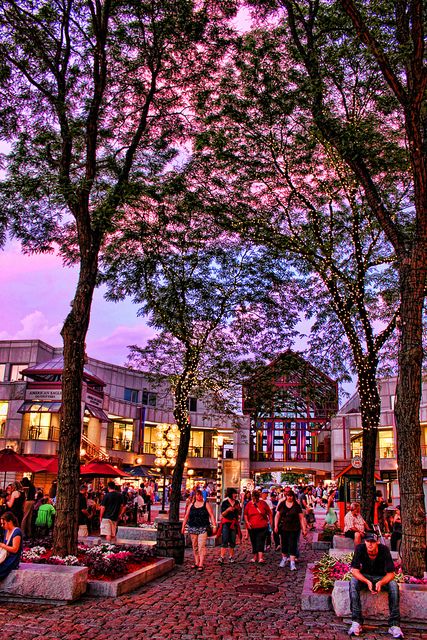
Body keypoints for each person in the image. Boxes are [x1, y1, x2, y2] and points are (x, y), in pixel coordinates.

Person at [348, 532, 403, 638]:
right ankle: (356, 622)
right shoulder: (360, 548)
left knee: (393, 585)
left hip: (380, 578)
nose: (370, 544)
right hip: (365, 577)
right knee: (353, 581)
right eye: (368, 541)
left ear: (377, 542)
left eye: (373, 542)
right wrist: (367, 581)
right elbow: (354, 571)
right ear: (365, 541)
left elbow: (391, 574)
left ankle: (394, 625)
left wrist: (381, 582)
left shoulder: (384, 550)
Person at [181, 488, 216, 571]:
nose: (199, 496)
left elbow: (211, 515)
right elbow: (186, 516)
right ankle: (196, 562)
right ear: (195, 496)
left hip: (203, 527)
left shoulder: (205, 504)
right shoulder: (191, 505)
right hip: (193, 527)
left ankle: (201, 563)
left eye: (200, 494)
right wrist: (183, 526)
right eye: (197, 494)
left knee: (201, 546)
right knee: (195, 546)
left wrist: (214, 526)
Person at [275, 489, 307, 571]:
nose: (289, 497)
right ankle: (284, 559)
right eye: (288, 496)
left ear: (293, 496)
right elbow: (277, 515)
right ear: (286, 496)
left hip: (294, 528)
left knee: (293, 544)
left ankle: (292, 562)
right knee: (284, 543)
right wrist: (275, 526)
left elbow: (301, 518)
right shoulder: (282, 504)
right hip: (284, 527)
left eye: (291, 496)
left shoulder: (296, 505)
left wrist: (304, 529)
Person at [244, 489, 272, 564]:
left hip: (262, 526)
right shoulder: (249, 504)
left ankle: (260, 557)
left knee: (261, 541)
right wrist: (247, 522)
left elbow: (269, 512)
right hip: (252, 527)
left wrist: (270, 522)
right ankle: (255, 556)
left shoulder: (263, 503)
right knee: (254, 541)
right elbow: (246, 514)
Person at [218, 487, 241, 564]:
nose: (236, 495)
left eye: (236, 493)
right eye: (234, 493)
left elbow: (239, 513)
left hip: (233, 523)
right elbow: (222, 514)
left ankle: (231, 557)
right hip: (226, 523)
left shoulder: (237, 502)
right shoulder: (225, 502)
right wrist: (227, 510)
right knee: (224, 539)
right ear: (231, 494)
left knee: (232, 540)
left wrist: (238, 510)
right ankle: (222, 557)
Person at [0, 512, 23, 579]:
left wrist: (2, 545)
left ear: (9, 521)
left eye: (3, 523)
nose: (2, 525)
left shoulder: (17, 532)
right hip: (5, 557)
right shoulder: (6, 531)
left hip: (12, 559)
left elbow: (15, 549)